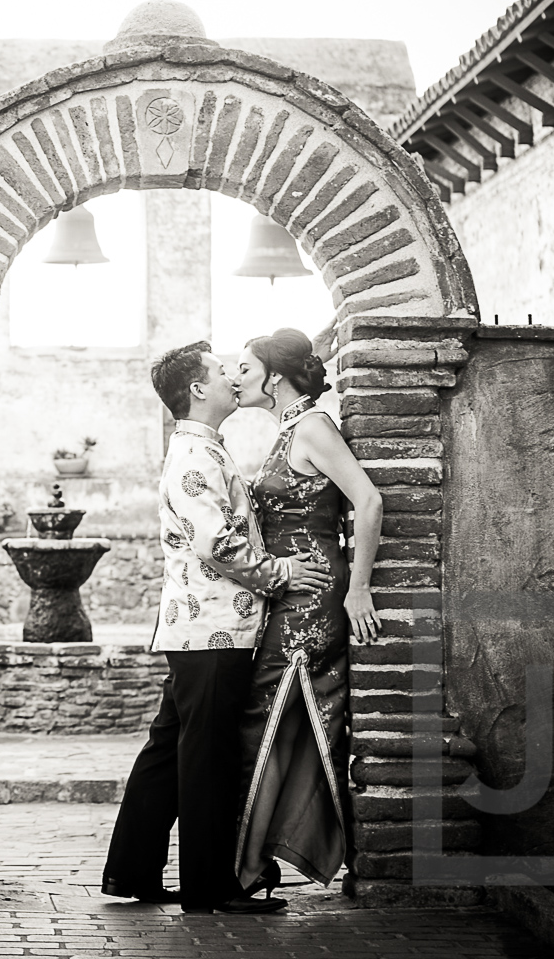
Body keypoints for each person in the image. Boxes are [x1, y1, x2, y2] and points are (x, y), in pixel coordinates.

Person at [101, 341, 333, 913]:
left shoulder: (204, 448)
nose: (233, 377)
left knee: (166, 752)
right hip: (214, 632)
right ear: (198, 390)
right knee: (207, 760)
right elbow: (219, 544)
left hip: (200, 630)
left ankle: (131, 871)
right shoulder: (194, 456)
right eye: (221, 371)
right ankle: (210, 888)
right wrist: (281, 572)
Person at [230, 328, 384, 895]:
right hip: (287, 593)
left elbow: (367, 499)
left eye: (243, 368)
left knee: (264, 720)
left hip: (312, 600)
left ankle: (245, 867)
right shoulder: (287, 430)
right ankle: (255, 863)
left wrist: (358, 589)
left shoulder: (314, 427)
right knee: (283, 724)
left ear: (274, 377)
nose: (233, 378)